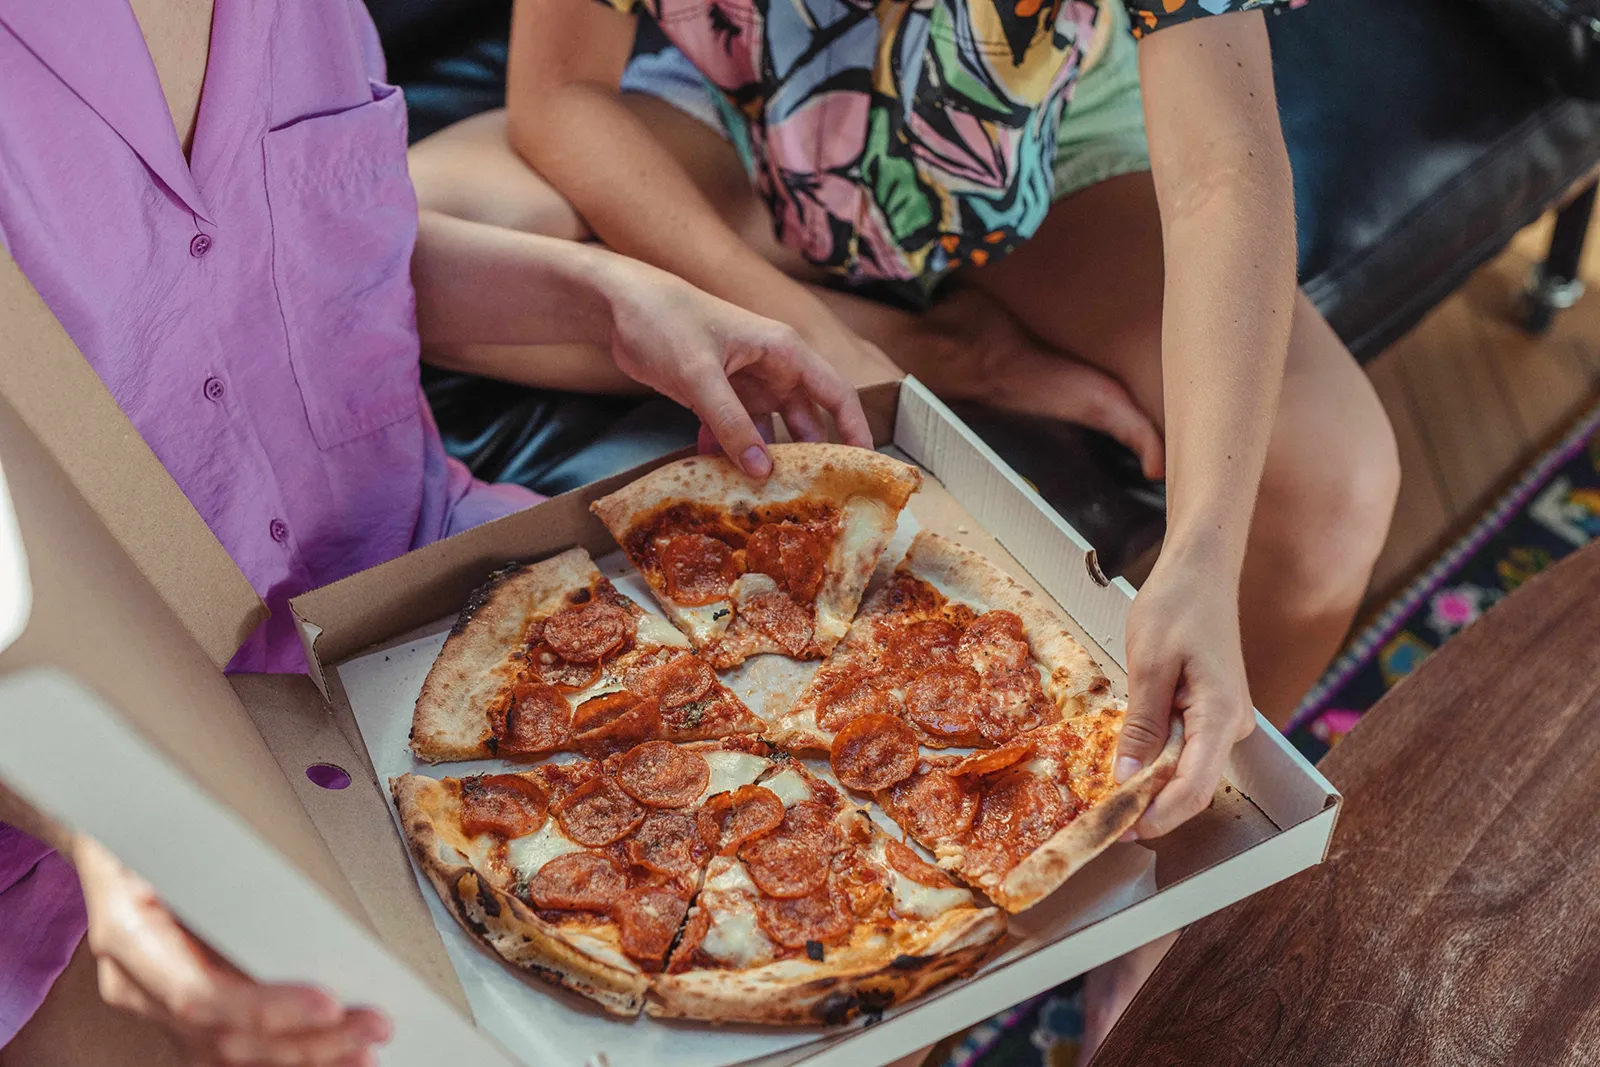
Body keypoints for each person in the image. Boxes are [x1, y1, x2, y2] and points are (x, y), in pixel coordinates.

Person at [404, 0, 1400, 1055]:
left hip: (1050, 151)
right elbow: (558, 95)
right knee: (397, 235)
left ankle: (1163, 888)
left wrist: (1202, 546)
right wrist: (839, 348)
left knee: (1332, 492)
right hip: (748, 136)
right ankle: (947, 345)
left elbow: (1220, 173)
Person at [0, 0, 870, 1063]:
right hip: (83, 795)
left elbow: (315, 267)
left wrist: (607, 298)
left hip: (436, 587)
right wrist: (110, 841)